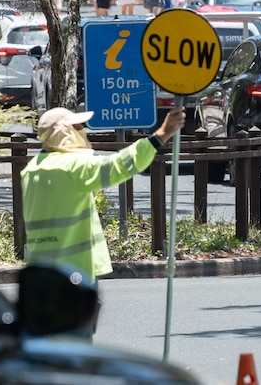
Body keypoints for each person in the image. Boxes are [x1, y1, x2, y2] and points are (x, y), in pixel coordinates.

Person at [21, 106, 186, 339]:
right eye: (78, 126)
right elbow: (120, 165)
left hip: (40, 277)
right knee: (75, 353)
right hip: (74, 276)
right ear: (64, 133)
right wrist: (161, 134)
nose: (84, 130)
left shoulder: (32, 169)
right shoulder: (71, 168)